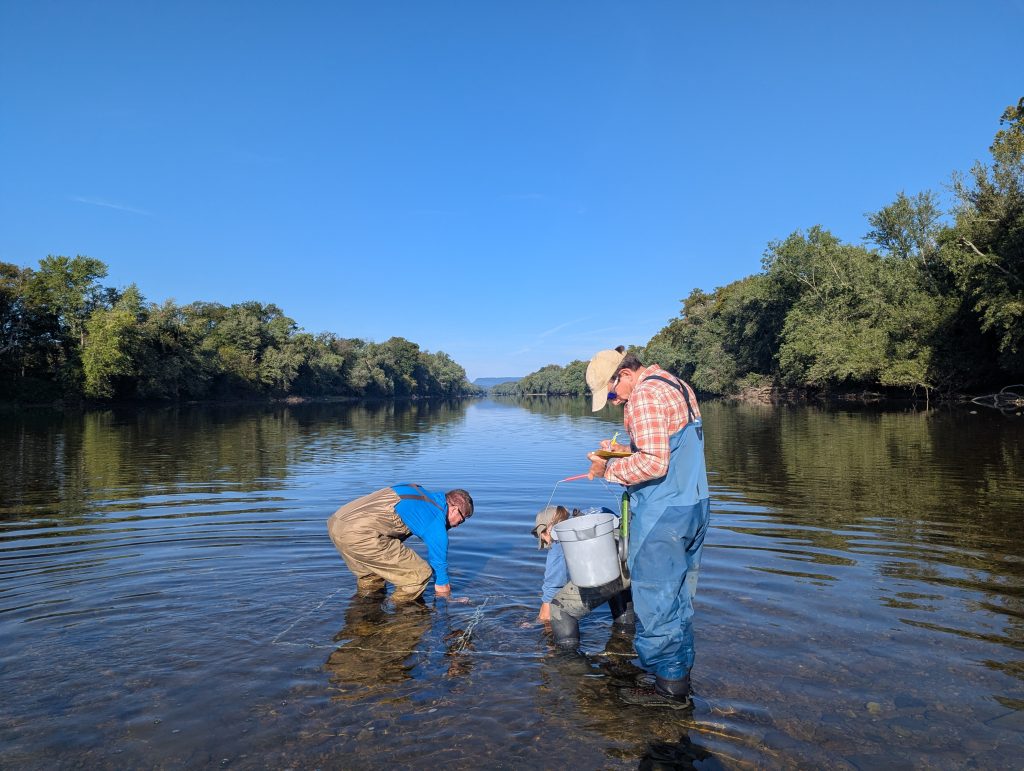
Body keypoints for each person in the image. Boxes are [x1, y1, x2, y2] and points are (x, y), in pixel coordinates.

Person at [585, 346, 710, 710]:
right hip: (693, 505)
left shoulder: (643, 396)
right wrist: (622, 451)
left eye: (610, 394)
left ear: (623, 375)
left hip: (663, 513)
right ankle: (675, 673)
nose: (612, 402)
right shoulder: (675, 384)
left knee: (655, 598)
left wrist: (606, 469)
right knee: (679, 597)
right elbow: (665, 447)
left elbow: (654, 464)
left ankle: (669, 690)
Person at [327, 484, 474, 603]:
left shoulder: (415, 489)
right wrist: (447, 599)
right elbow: (439, 569)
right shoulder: (435, 521)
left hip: (337, 523)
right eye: (462, 519)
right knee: (419, 575)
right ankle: (396, 619)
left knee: (372, 576)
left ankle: (363, 611)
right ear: (454, 509)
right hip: (360, 534)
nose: (459, 524)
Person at [531, 504, 635, 648]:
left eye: (542, 536)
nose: (545, 542)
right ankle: (625, 635)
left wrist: (537, 623)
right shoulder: (593, 514)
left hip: (607, 575)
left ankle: (568, 659)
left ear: (547, 529)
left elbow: (552, 587)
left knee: (558, 608)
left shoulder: (560, 535)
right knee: (614, 581)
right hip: (630, 567)